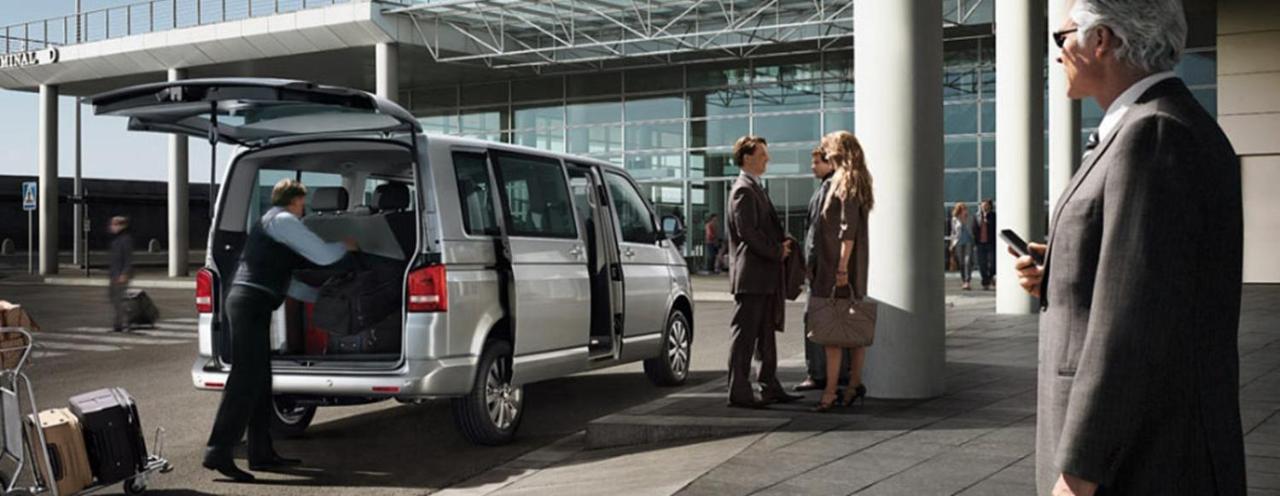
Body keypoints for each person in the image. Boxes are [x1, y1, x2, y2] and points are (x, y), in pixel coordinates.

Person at [1013, 1, 1244, 494]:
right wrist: (1060, 269)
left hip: (1139, 462)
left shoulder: (1154, 133)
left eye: (1063, 39)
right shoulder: (1155, 125)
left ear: (1103, 41)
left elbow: (1132, 327)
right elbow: (1148, 280)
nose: (1057, 55)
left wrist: (1077, 474)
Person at [204, 179, 358, 482]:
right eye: (303, 202)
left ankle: (261, 453)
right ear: (294, 201)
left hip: (253, 304)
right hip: (249, 304)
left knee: (261, 380)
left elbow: (286, 282)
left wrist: (324, 299)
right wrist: (346, 246)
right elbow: (324, 255)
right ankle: (218, 451)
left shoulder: (273, 226)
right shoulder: (284, 220)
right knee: (245, 379)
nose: (305, 209)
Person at [725, 135, 801, 409]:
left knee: (765, 335)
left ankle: (769, 386)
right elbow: (748, 233)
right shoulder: (743, 190)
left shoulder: (755, 187)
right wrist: (776, 251)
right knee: (745, 336)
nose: (767, 159)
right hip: (752, 277)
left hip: (763, 276)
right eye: (762, 155)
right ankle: (739, 392)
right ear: (747, 158)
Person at [807, 131, 874, 412]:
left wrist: (842, 268)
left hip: (838, 267)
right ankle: (853, 385)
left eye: (827, 148)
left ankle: (831, 392)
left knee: (832, 333)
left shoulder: (844, 181)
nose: (823, 152)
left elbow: (848, 230)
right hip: (845, 266)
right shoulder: (854, 179)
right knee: (853, 327)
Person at [794, 147, 848, 393]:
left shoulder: (826, 190)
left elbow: (817, 231)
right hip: (831, 266)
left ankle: (817, 374)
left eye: (817, 162)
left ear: (830, 163)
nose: (812, 166)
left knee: (813, 319)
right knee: (835, 320)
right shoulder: (838, 187)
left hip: (821, 269)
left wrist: (810, 264)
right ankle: (840, 373)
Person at [107, 216, 133, 332]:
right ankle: (122, 322)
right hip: (115, 274)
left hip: (120, 275)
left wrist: (124, 273)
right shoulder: (117, 239)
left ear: (120, 225)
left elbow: (128, 258)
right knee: (115, 299)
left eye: (114, 224)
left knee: (118, 300)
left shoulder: (125, 239)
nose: (112, 227)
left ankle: (121, 324)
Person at [949, 203, 977, 290]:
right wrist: (951, 243)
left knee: (967, 261)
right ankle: (964, 280)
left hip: (969, 242)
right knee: (961, 262)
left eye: (965, 208)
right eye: (963, 208)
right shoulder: (954, 219)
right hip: (958, 242)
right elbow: (953, 232)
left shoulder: (970, 218)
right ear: (959, 210)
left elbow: (974, 229)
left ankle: (967, 281)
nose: (965, 210)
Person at [975, 199, 996, 290]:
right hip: (980, 244)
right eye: (982, 205)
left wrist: (987, 220)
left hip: (991, 243)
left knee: (993, 264)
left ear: (990, 206)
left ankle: (990, 277)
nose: (983, 207)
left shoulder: (994, 216)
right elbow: (974, 229)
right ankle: (985, 282)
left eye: (985, 205)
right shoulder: (977, 216)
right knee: (982, 264)